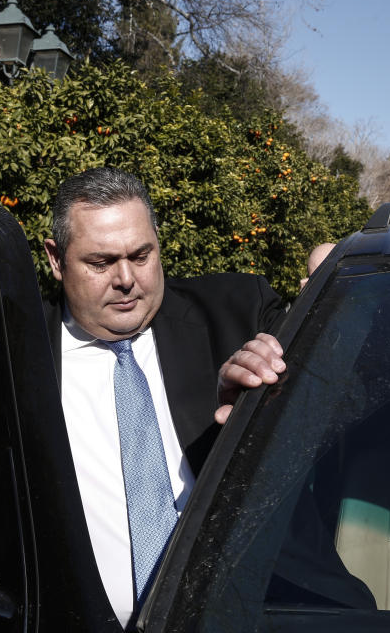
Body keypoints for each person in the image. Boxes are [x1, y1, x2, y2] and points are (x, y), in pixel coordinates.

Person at [42, 167, 288, 627]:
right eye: (100, 262)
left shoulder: (239, 313)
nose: (126, 279)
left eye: (141, 255)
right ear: (56, 260)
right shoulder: (20, 350)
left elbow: (341, 408)